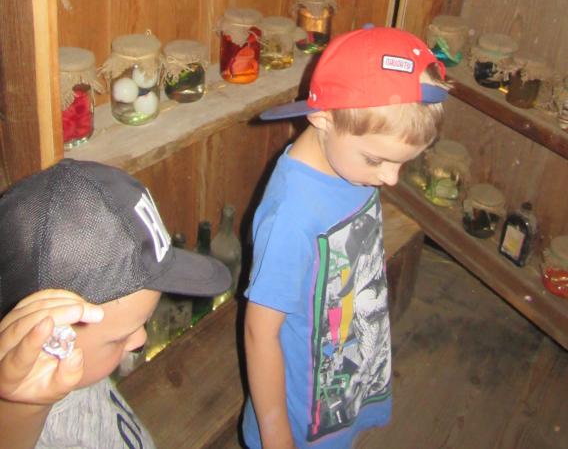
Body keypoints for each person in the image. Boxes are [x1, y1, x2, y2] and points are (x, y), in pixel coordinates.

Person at [243, 26, 449, 449]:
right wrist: (275, 431)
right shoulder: (291, 216)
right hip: (300, 414)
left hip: (346, 373)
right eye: (378, 160)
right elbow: (259, 333)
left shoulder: (353, 163)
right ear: (323, 119)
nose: (390, 179)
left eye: (403, 163)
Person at [0, 157, 231, 449]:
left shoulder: (84, 370)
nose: (141, 339)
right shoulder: (46, 428)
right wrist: (22, 409)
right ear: (50, 341)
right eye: (118, 339)